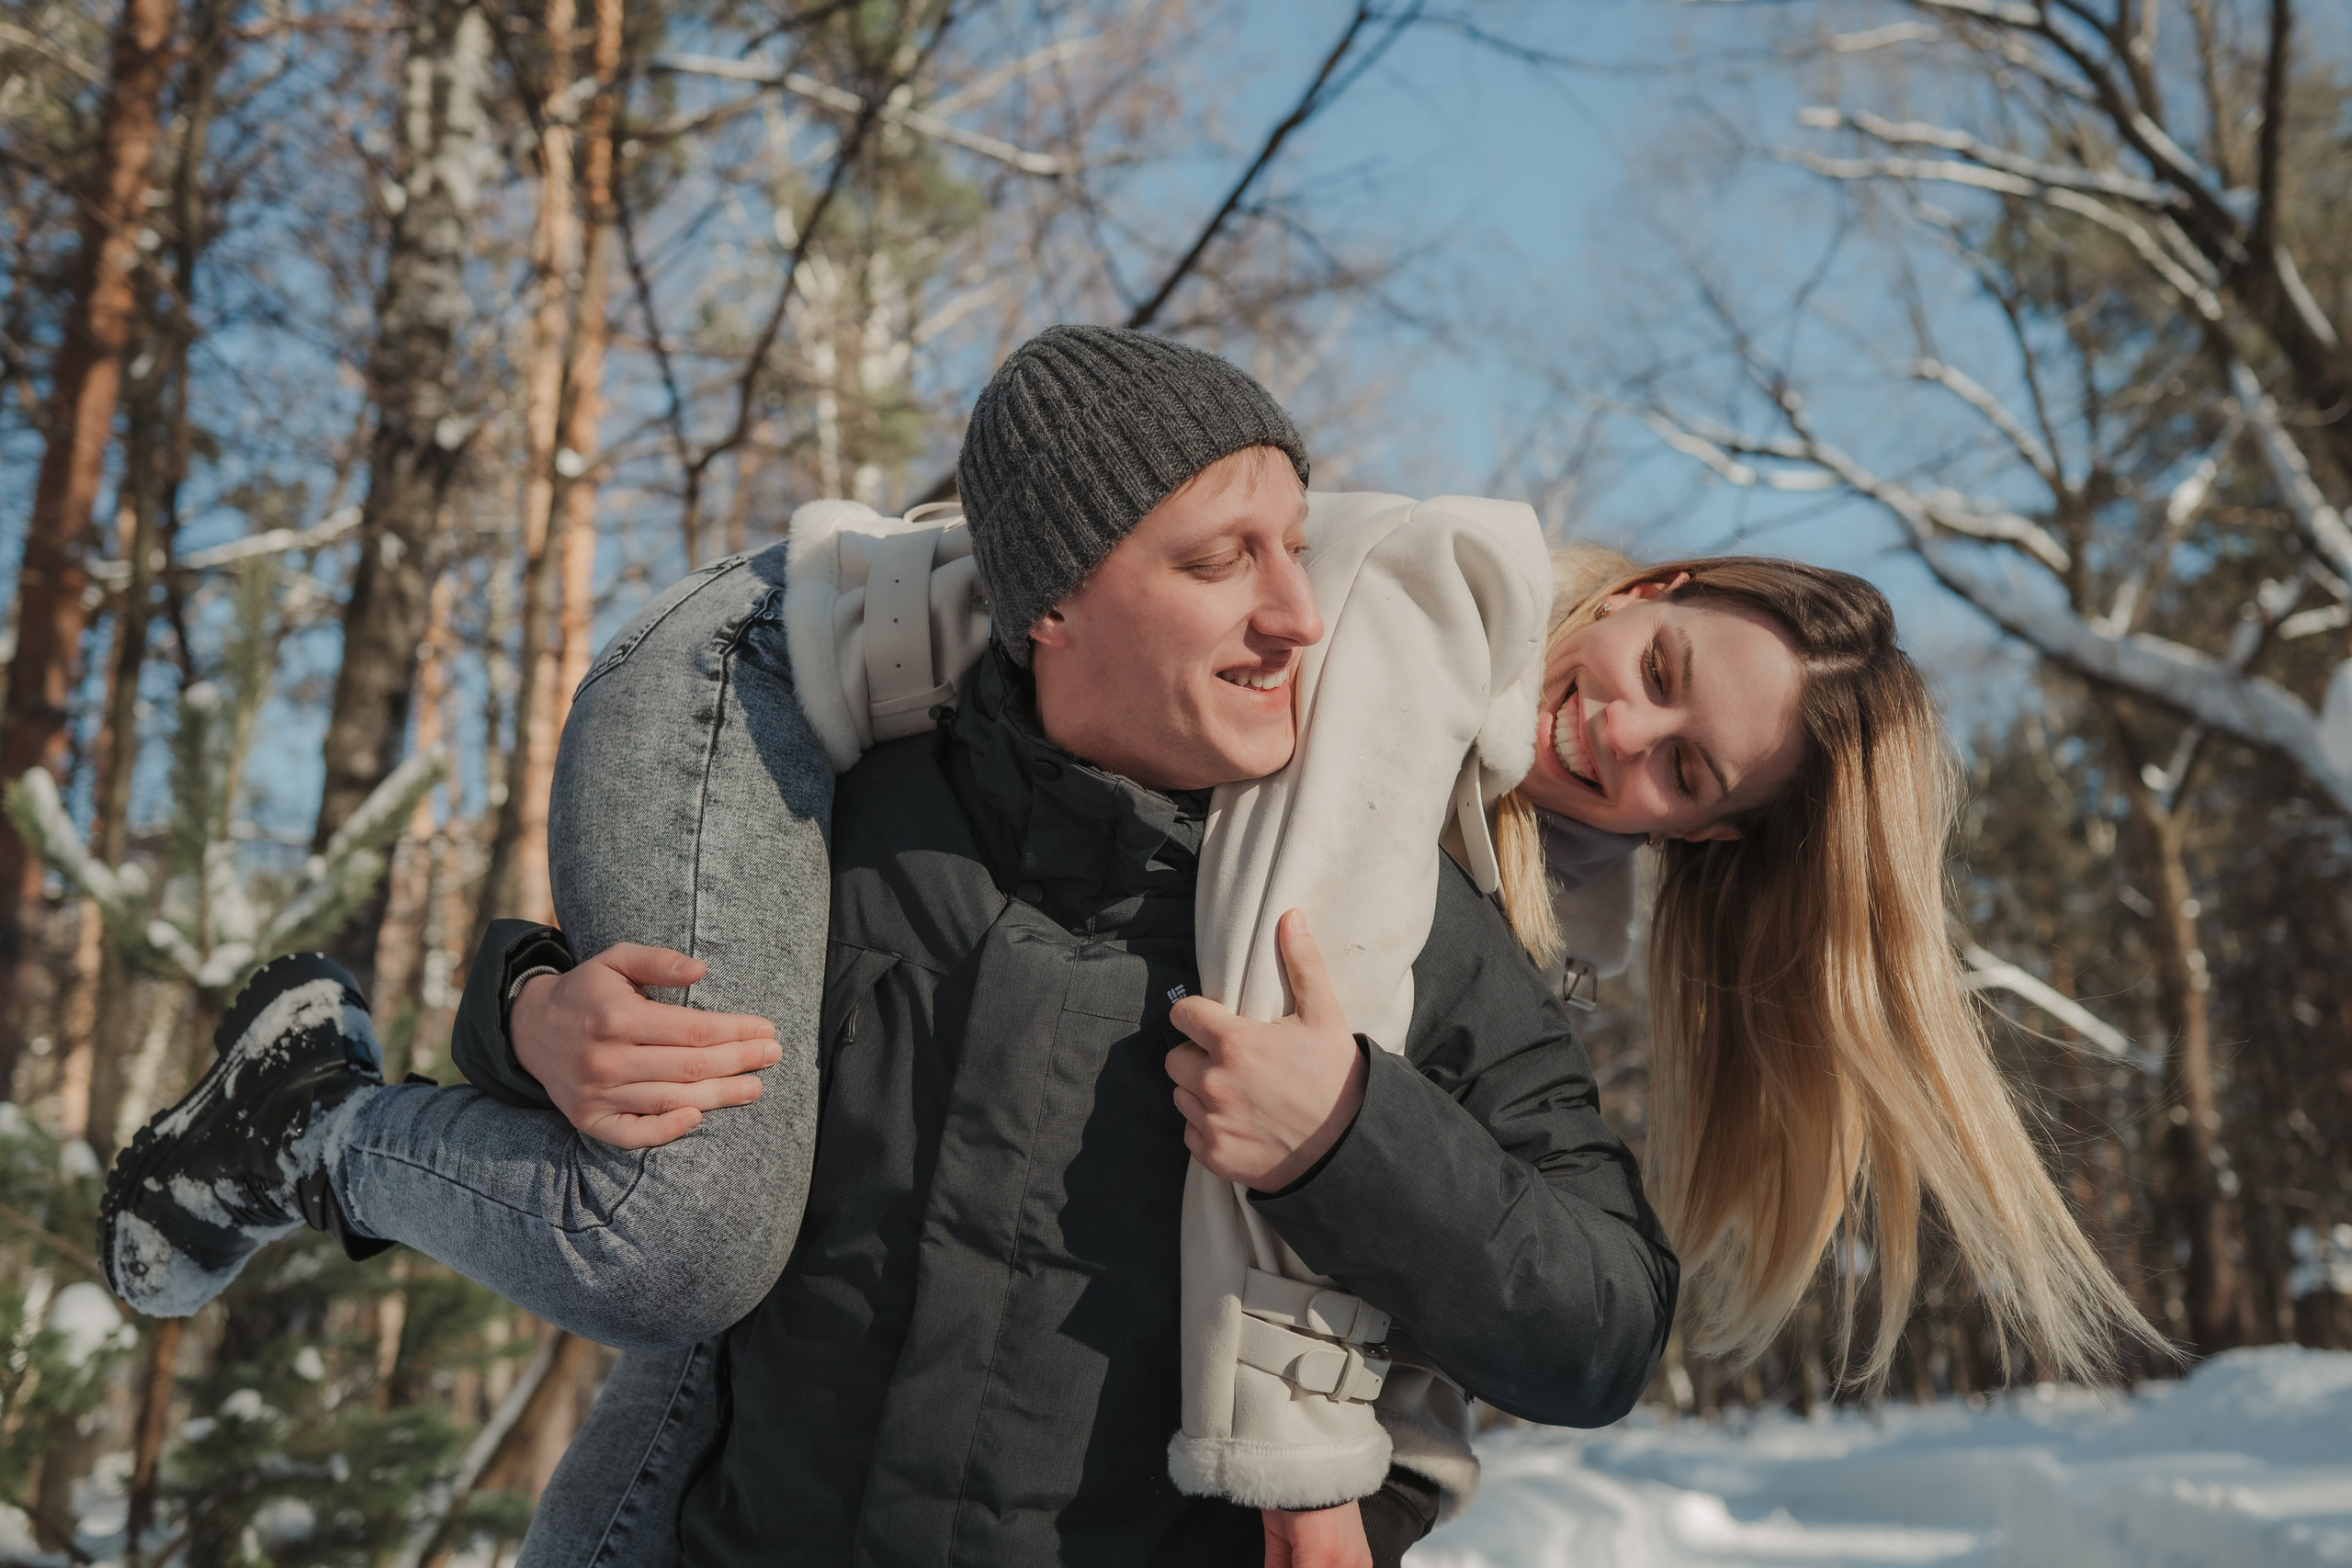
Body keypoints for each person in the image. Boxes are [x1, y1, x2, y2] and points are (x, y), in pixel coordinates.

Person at [102, 326, 1679, 1567]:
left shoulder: (1395, 928)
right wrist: (521, 1012)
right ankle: (302, 1121)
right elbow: (635, 1180)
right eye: (1220, 562)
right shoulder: (839, 822)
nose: (1298, 615)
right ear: (1050, 604)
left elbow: (1604, 1330)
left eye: (1293, 550)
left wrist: (1351, 1135)